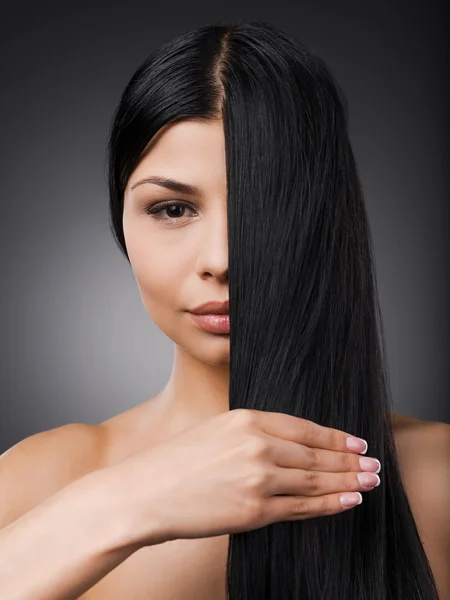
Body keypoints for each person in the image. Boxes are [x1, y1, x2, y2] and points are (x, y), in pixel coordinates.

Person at [0, 18, 449, 600]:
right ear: (121, 223)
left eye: (266, 206)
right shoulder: (39, 480)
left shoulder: (438, 478)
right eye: (171, 209)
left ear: (329, 222)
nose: (221, 259)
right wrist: (124, 503)